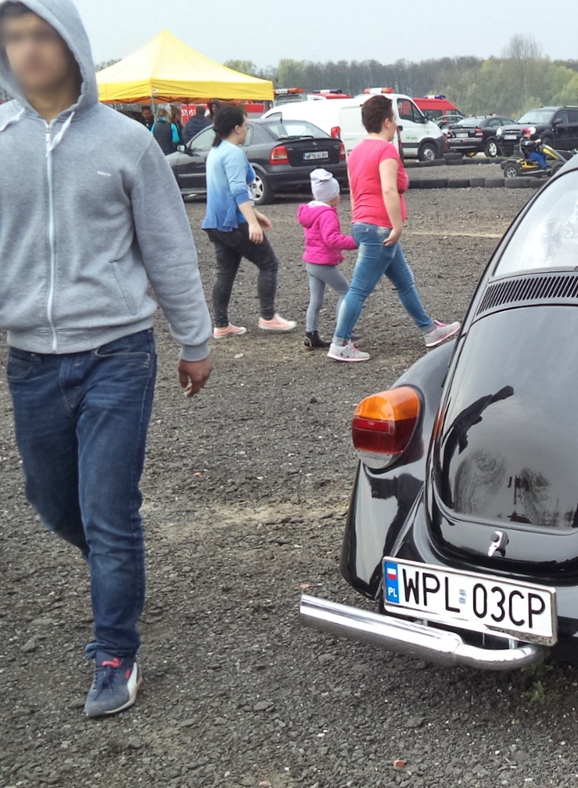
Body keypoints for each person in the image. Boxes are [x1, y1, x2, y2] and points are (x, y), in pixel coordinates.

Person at [0, 0, 213, 717]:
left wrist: (195, 340)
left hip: (117, 355)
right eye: (15, 36)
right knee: (52, 500)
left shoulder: (126, 143)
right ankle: (115, 563)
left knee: (109, 511)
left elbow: (168, 249)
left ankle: (115, 653)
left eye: (41, 35)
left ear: (70, 45)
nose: (27, 49)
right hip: (29, 358)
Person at [328, 95, 460, 362]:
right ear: (386, 121)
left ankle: (429, 330)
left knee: (404, 282)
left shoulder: (356, 152)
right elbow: (389, 189)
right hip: (381, 229)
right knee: (359, 289)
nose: (397, 124)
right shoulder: (386, 151)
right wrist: (397, 226)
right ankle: (339, 342)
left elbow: (354, 191)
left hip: (365, 224)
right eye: (395, 119)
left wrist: (359, 221)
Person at [201, 104, 297, 337]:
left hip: (215, 222)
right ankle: (268, 317)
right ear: (236, 128)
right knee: (268, 264)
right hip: (233, 222)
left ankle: (221, 325)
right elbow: (237, 189)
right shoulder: (233, 153)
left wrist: (255, 215)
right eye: (245, 125)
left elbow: (224, 191)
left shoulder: (215, 151)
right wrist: (251, 222)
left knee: (225, 272)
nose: (246, 129)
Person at [299, 169, 357, 350]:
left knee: (315, 300)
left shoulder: (311, 211)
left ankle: (311, 334)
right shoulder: (328, 214)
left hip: (312, 261)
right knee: (346, 292)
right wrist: (354, 242)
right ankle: (342, 331)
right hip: (322, 263)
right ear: (332, 197)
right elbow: (331, 239)